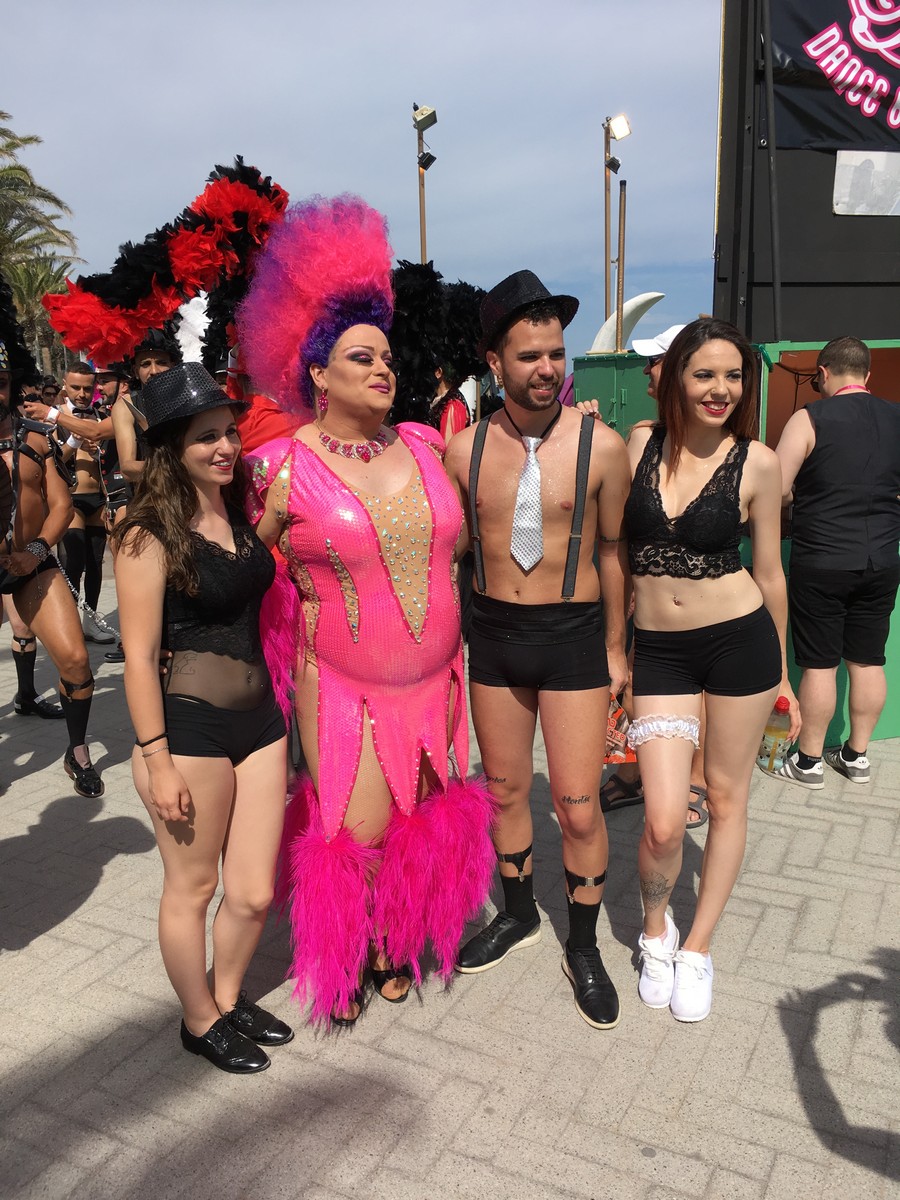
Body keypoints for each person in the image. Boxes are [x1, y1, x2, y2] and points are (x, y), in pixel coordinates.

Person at [239, 195, 495, 1026]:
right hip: (343, 686)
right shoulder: (276, 467)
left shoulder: (425, 442)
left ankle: (396, 941)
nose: (382, 369)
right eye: (360, 357)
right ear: (316, 372)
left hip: (437, 681)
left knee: (422, 820)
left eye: (386, 356)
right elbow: (236, 576)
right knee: (352, 829)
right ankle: (342, 953)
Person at [444, 270, 631, 1031]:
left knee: (578, 808)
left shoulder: (603, 447)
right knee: (505, 793)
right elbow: (450, 550)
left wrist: (617, 649)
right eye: (529, 356)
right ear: (494, 363)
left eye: (556, 353)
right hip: (493, 638)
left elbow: (614, 552)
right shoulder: (461, 450)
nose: (548, 368)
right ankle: (519, 913)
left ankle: (582, 946)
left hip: (573, 640)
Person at [111, 362, 292, 1073]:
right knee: (194, 888)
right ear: (170, 448)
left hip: (262, 724)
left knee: (253, 892)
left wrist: (278, 514)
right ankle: (198, 1020)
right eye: (206, 437)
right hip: (188, 731)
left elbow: (244, 571)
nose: (225, 447)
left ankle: (226, 996)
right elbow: (137, 657)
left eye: (228, 432)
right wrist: (156, 760)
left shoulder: (235, 510)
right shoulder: (145, 534)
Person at [623, 317, 799, 1022]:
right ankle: (656, 930)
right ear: (675, 377)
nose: (721, 389)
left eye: (734, 376)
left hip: (739, 645)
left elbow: (770, 573)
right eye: (705, 374)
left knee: (725, 800)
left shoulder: (758, 461)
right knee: (665, 821)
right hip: (660, 652)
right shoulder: (639, 443)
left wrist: (782, 672)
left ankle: (696, 948)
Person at [594, 322, 709, 830]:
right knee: (641, 679)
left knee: (698, 686)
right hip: (650, 595)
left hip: (704, 598)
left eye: (655, 361)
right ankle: (637, 772)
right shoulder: (643, 436)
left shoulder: (723, 444)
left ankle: (694, 779)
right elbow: (621, 519)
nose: (647, 369)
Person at [773, 336, 900, 788]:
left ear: (823, 373)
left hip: (822, 559)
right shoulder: (896, 416)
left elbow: (777, 488)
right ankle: (856, 756)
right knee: (867, 661)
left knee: (820, 665)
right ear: (867, 374)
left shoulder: (809, 418)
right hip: (882, 559)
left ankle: (808, 762)